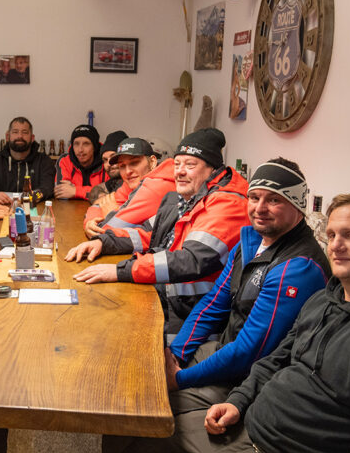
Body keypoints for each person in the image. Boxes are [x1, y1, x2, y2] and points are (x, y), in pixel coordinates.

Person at [123, 192, 350, 453]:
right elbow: (277, 360)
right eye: (332, 235)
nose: (336, 246)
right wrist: (238, 402)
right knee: (130, 439)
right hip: (245, 427)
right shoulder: (326, 300)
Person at [103, 158, 331, 453]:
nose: (260, 208)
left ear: (298, 206)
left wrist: (178, 377)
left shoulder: (299, 267)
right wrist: (176, 353)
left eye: (275, 200)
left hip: (247, 380)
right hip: (222, 352)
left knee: (142, 417)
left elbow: (251, 351)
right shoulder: (251, 243)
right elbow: (214, 303)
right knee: (128, 393)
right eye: (255, 197)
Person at [67, 129, 249, 332]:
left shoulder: (228, 203)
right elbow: (147, 234)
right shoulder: (187, 195)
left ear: (212, 169)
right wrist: (103, 243)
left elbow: (190, 261)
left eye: (190, 165)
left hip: (192, 314)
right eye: (177, 164)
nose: (179, 171)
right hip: (169, 298)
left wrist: (121, 271)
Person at [81, 137, 170, 239]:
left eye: (134, 163)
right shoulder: (133, 182)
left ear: (153, 162)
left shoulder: (157, 185)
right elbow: (97, 206)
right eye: (122, 166)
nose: (128, 172)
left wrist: (110, 213)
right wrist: (89, 223)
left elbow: (105, 231)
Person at [0, 116, 55, 205]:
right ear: (7, 136)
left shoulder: (44, 161)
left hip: (34, 207)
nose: (20, 136)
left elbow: (48, 187)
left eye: (25, 132)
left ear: (32, 138)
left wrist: (36, 195)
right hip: (1, 207)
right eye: (15, 132)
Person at [54, 124, 107, 200]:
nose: (80, 150)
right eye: (76, 144)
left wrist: (75, 191)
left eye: (86, 144)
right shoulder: (65, 160)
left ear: (95, 147)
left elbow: (109, 195)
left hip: (101, 210)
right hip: (70, 210)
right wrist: (94, 192)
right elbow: (61, 193)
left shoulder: (106, 160)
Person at [86, 130, 129, 204]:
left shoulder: (134, 181)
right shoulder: (116, 180)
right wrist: (102, 196)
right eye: (105, 160)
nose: (109, 164)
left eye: (114, 157)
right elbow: (96, 189)